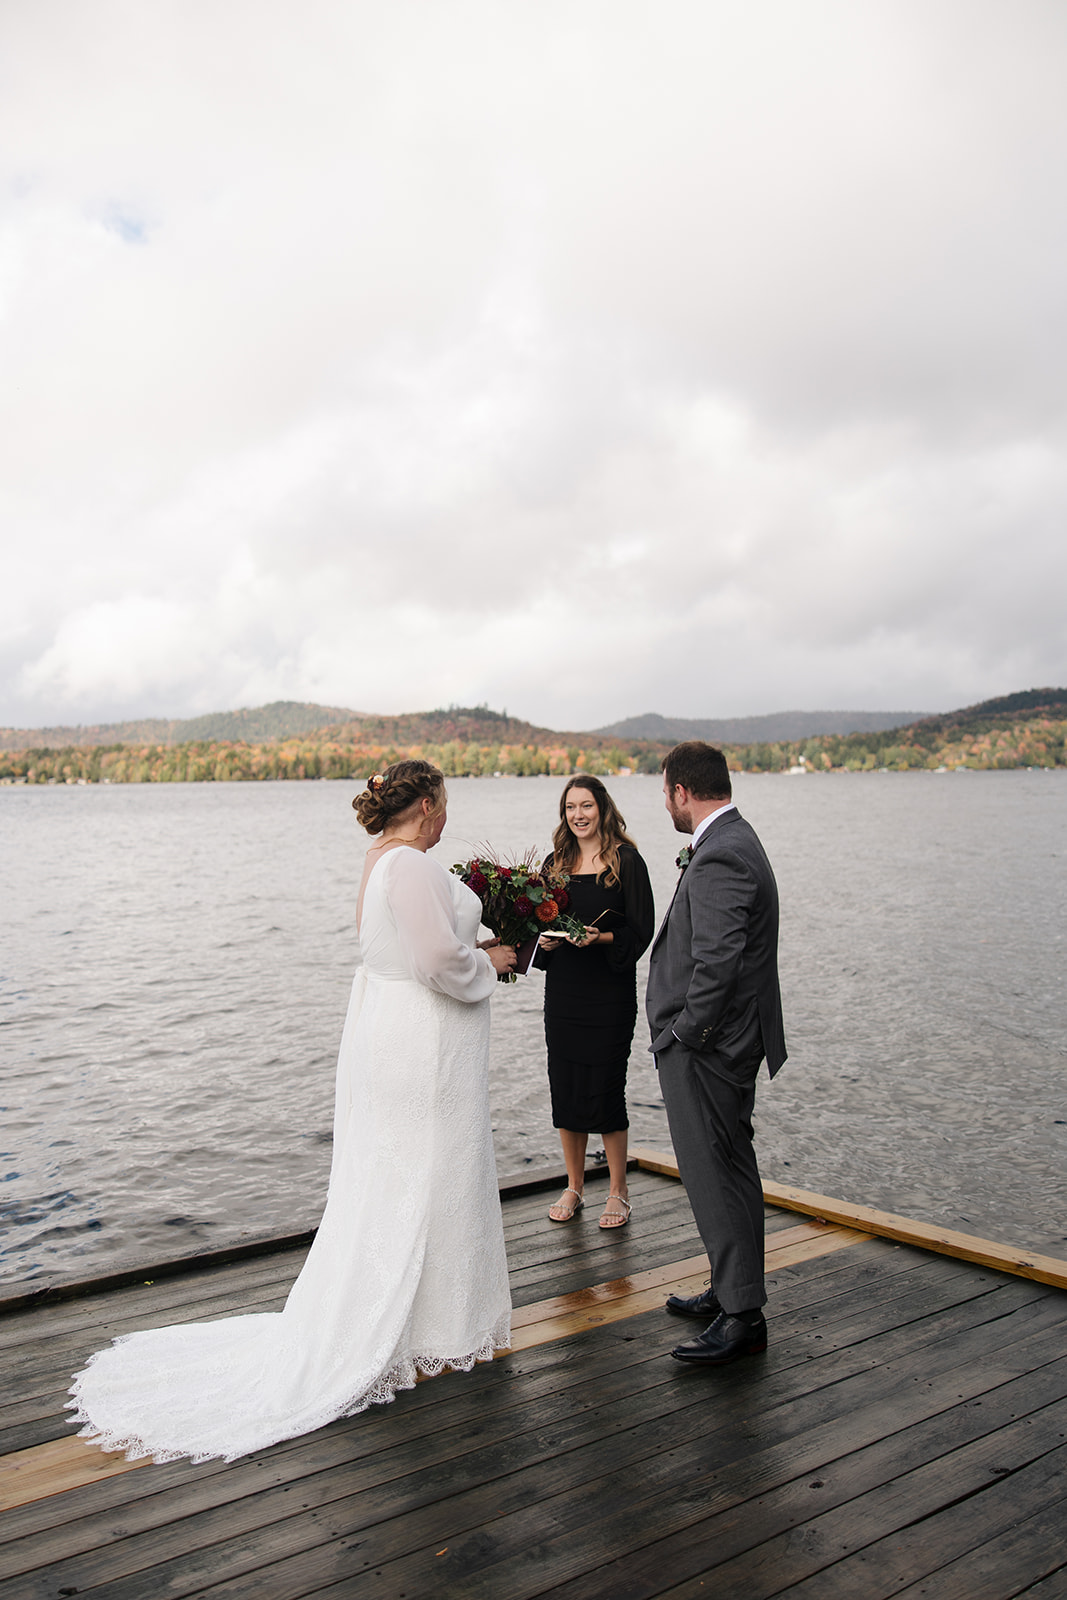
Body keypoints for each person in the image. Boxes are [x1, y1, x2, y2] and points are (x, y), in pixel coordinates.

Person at [68, 760, 516, 1463]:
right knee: (436, 1171)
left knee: (409, 1174)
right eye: (446, 805)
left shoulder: (380, 861)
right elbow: (436, 960)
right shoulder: (412, 867)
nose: (447, 817)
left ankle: (428, 1317)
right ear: (426, 805)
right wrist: (491, 962)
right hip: (424, 1044)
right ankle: (433, 1326)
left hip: (394, 1034)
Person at [645, 742, 786, 1366]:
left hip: (711, 1046)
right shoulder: (732, 837)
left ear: (682, 790)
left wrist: (686, 1034)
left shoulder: (722, 851)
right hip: (726, 1039)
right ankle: (732, 1288)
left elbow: (719, 961)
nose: (665, 802)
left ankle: (741, 1317)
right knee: (727, 1166)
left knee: (714, 1169)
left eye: (665, 791)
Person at [536, 775, 654, 1229]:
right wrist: (542, 944)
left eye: (586, 806)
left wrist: (601, 936)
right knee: (565, 1085)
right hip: (564, 989)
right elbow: (542, 920)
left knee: (606, 1085)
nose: (578, 815)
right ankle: (575, 1185)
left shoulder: (627, 861)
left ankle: (619, 1190)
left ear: (602, 808)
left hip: (608, 992)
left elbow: (642, 929)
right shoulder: (555, 862)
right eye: (570, 808)